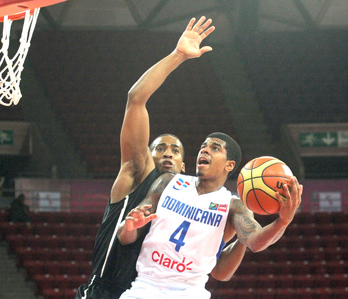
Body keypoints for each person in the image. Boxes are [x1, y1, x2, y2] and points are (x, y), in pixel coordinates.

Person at [76, 17, 247, 299]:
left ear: (183, 167)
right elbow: (136, 99)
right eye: (159, 148)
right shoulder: (135, 173)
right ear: (147, 152)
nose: (167, 152)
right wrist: (178, 55)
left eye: (176, 150)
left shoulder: (188, 200)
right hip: (106, 292)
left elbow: (217, 266)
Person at [117, 132, 303, 298]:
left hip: (189, 291)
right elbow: (125, 237)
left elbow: (254, 242)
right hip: (145, 286)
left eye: (214, 148)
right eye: (203, 147)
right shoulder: (168, 182)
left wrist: (282, 222)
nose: (204, 151)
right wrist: (129, 227)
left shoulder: (232, 206)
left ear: (229, 164)